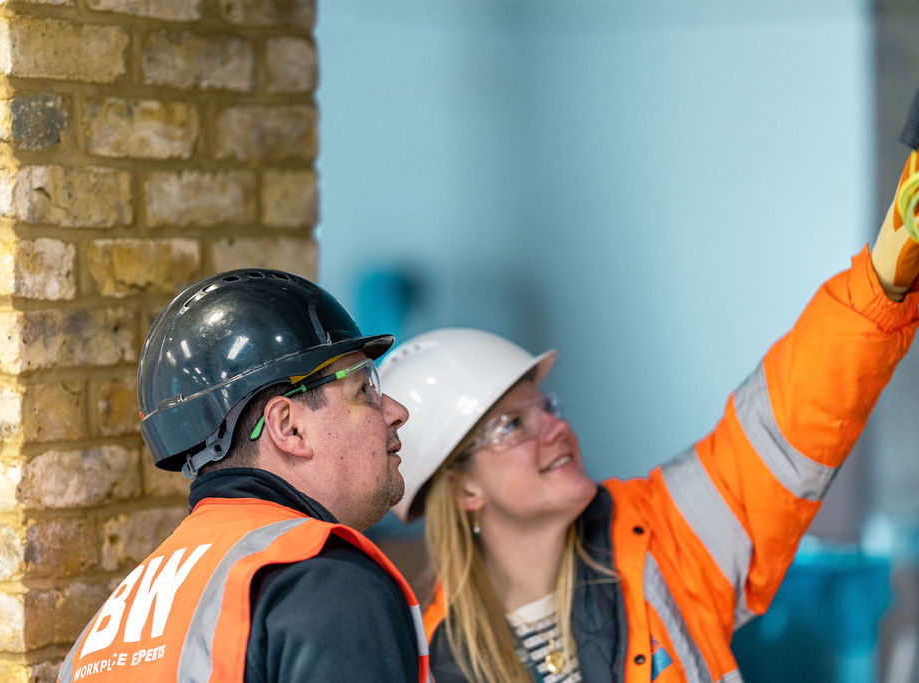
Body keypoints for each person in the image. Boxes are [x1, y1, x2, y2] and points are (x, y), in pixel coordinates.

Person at [377, 147, 919, 683]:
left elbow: (784, 423)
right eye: (513, 425)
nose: (555, 427)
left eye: (546, 406)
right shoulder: (433, 664)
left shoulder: (665, 543)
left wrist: (880, 284)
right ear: (464, 489)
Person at [57, 270, 429, 682]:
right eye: (365, 389)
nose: (396, 411)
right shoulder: (323, 583)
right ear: (288, 427)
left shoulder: (104, 632)